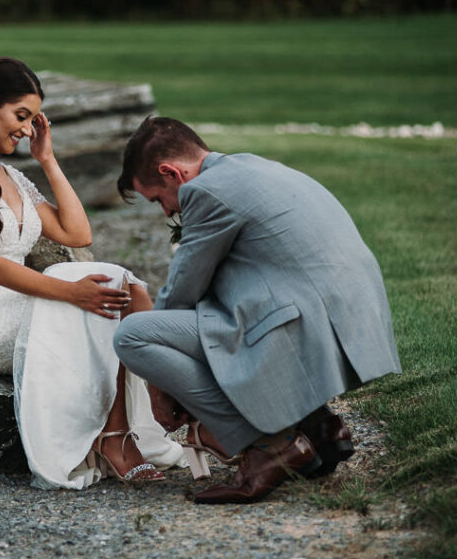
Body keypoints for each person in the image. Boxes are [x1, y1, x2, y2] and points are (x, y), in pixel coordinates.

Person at [0, 58, 205, 489]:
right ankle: (118, 434)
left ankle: (152, 399)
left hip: (17, 301)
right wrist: (68, 293)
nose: (27, 129)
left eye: (34, 120)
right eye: (21, 116)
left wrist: (48, 160)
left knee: (116, 282)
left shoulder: (13, 177)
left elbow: (77, 231)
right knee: (85, 289)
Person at [112, 116, 401, 503]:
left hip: (306, 318)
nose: (166, 212)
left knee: (133, 336)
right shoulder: (255, 166)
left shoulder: (206, 192)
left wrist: (159, 385)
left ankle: (271, 444)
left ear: (171, 173)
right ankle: (318, 427)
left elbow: (182, 289)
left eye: (157, 198)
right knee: (225, 315)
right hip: (351, 313)